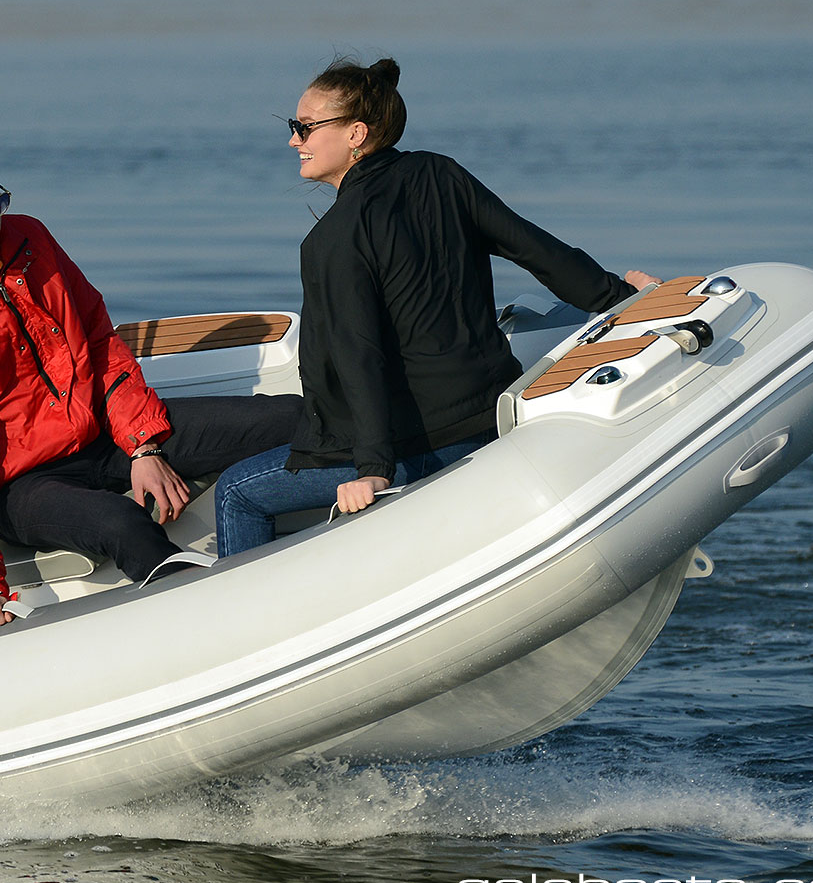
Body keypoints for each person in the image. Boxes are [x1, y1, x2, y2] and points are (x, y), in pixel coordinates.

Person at [0, 136, 299, 633]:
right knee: (121, 523)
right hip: (19, 485)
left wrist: (143, 446)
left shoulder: (29, 240)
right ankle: (214, 626)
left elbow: (98, 341)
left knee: (291, 417)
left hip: (101, 433)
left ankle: (337, 509)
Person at [212, 58, 659, 556]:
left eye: (305, 127)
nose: (295, 141)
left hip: (414, 447)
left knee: (236, 492)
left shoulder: (332, 239)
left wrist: (373, 469)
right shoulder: (440, 173)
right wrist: (620, 297)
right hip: (488, 417)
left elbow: (358, 355)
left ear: (356, 133)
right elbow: (535, 250)